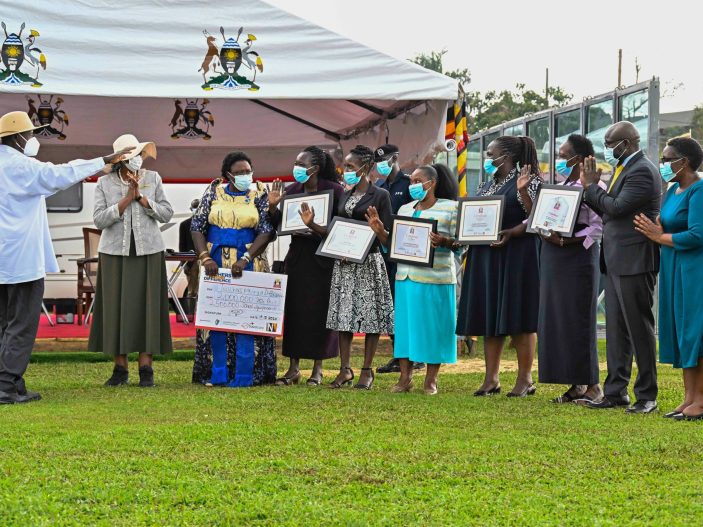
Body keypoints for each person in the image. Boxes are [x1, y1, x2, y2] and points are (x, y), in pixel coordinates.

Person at [0, 110, 133, 404]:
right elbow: (61, 174)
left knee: (4, 323)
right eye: (30, 134)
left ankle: (12, 381)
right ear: (20, 137)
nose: (33, 139)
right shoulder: (23, 167)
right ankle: (6, 385)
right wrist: (104, 160)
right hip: (20, 259)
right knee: (21, 324)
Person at [580, 121, 661, 414]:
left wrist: (590, 186)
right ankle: (615, 391)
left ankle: (647, 395)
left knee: (639, 328)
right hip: (616, 259)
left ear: (626, 143)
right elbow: (609, 209)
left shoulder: (642, 170)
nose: (607, 147)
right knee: (616, 329)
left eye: (610, 141)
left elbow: (616, 208)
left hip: (635, 259)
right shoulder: (623, 168)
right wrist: (595, 190)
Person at [456, 135, 542, 397]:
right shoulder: (487, 183)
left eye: (491, 154)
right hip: (485, 257)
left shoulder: (530, 179)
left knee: (519, 317)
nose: (487, 159)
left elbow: (537, 217)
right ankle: (490, 378)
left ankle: (525, 379)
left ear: (507, 156)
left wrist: (524, 192)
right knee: (489, 315)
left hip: (517, 256)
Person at [89, 134, 174, 388]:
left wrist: (142, 199)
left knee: (148, 306)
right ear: (120, 160)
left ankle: (146, 368)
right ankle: (120, 368)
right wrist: (126, 197)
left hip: (149, 250)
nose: (137, 159)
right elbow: (99, 220)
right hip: (115, 252)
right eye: (132, 155)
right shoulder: (104, 183)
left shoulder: (153, 178)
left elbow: (167, 213)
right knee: (116, 308)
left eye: (139, 154)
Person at [366, 164, 459, 394]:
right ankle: (405, 378)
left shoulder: (451, 209)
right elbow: (395, 245)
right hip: (405, 277)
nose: (414, 186)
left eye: (419, 181)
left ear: (432, 183)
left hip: (435, 278)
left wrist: (445, 241)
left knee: (433, 329)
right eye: (412, 182)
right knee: (406, 330)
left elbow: (461, 244)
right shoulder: (406, 209)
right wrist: (380, 232)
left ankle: (431, 380)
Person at [190, 151, 277, 387]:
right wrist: (205, 257)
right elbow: (197, 226)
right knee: (217, 318)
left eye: (248, 171)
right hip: (215, 264)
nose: (245, 176)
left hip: (250, 262)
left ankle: (247, 374)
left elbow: (267, 231)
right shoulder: (214, 190)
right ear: (228, 175)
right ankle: (217, 373)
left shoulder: (260, 192)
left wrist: (246, 258)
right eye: (239, 173)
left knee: (247, 316)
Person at [634, 137, 703, 420]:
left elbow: (697, 234)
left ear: (683, 161)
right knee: (680, 330)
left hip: (694, 270)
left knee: (695, 332)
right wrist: (657, 228)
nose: (662, 164)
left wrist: (657, 236)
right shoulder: (672, 189)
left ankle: (700, 401)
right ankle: (689, 398)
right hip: (673, 266)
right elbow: (665, 220)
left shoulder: (699, 191)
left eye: (667, 158)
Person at [268, 146, 344, 386]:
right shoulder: (291, 191)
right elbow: (276, 227)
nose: (297, 168)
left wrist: (313, 227)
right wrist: (272, 206)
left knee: (320, 313)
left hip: (322, 259)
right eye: (296, 163)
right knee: (295, 313)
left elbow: (339, 228)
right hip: (298, 258)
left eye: (302, 164)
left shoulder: (334, 191)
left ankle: (318, 369)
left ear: (315, 168)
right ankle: (293, 368)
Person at [537, 134, 604, 403]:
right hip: (556, 255)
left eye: (565, 156)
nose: (560, 161)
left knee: (579, 320)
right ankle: (576, 383)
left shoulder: (593, 186)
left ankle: (593, 385)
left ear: (580, 159)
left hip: (579, 258)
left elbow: (598, 227)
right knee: (560, 320)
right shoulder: (561, 186)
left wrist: (569, 240)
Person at [325, 145, 394, 390]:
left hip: (368, 264)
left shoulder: (380, 195)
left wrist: (379, 230)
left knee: (370, 318)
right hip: (343, 265)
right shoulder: (345, 194)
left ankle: (367, 370)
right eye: (345, 167)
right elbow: (338, 227)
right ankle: (345, 369)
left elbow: (388, 238)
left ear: (365, 168)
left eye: (351, 167)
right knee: (344, 317)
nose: (346, 171)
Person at [372, 144, 424, 374]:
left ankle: (417, 355)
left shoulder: (409, 184)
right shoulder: (379, 186)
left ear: (395, 158)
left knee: (408, 304)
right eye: (378, 161)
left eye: (385, 160)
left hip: (407, 251)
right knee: (390, 304)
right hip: (385, 251)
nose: (381, 165)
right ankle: (399, 354)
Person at [179, 198, 201, 299]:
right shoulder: (184, 225)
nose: (196, 209)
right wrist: (184, 264)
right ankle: (191, 313)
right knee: (192, 291)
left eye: (198, 207)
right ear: (190, 209)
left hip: (205, 260)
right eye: (194, 207)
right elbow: (182, 246)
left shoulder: (209, 224)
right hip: (191, 262)